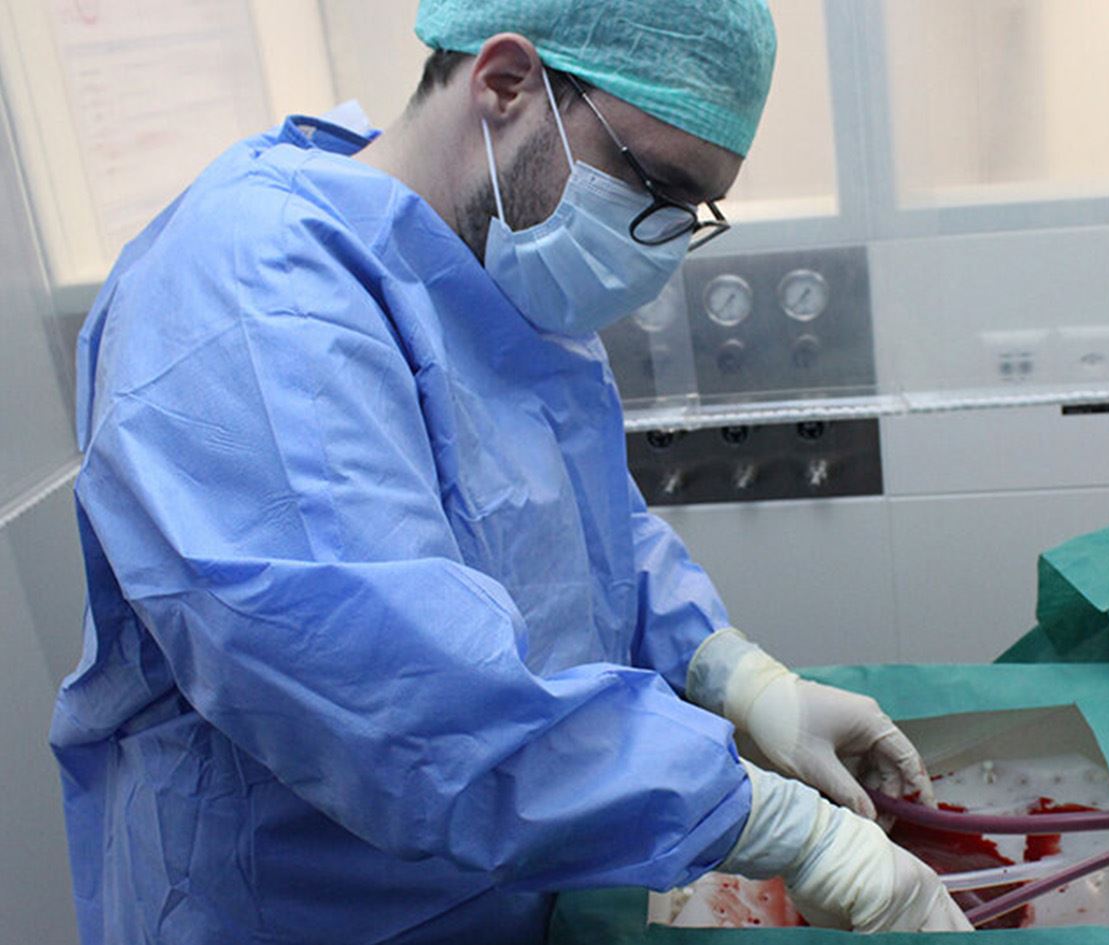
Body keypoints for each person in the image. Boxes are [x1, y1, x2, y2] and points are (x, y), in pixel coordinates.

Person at [48, 1, 972, 942]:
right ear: (505, 83)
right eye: (654, 184)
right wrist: (785, 828)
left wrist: (736, 673)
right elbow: (405, 701)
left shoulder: (487, 269)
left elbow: (579, 539)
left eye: (688, 213)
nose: (658, 240)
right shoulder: (257, 292)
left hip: (495, 888)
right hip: (304, 912)